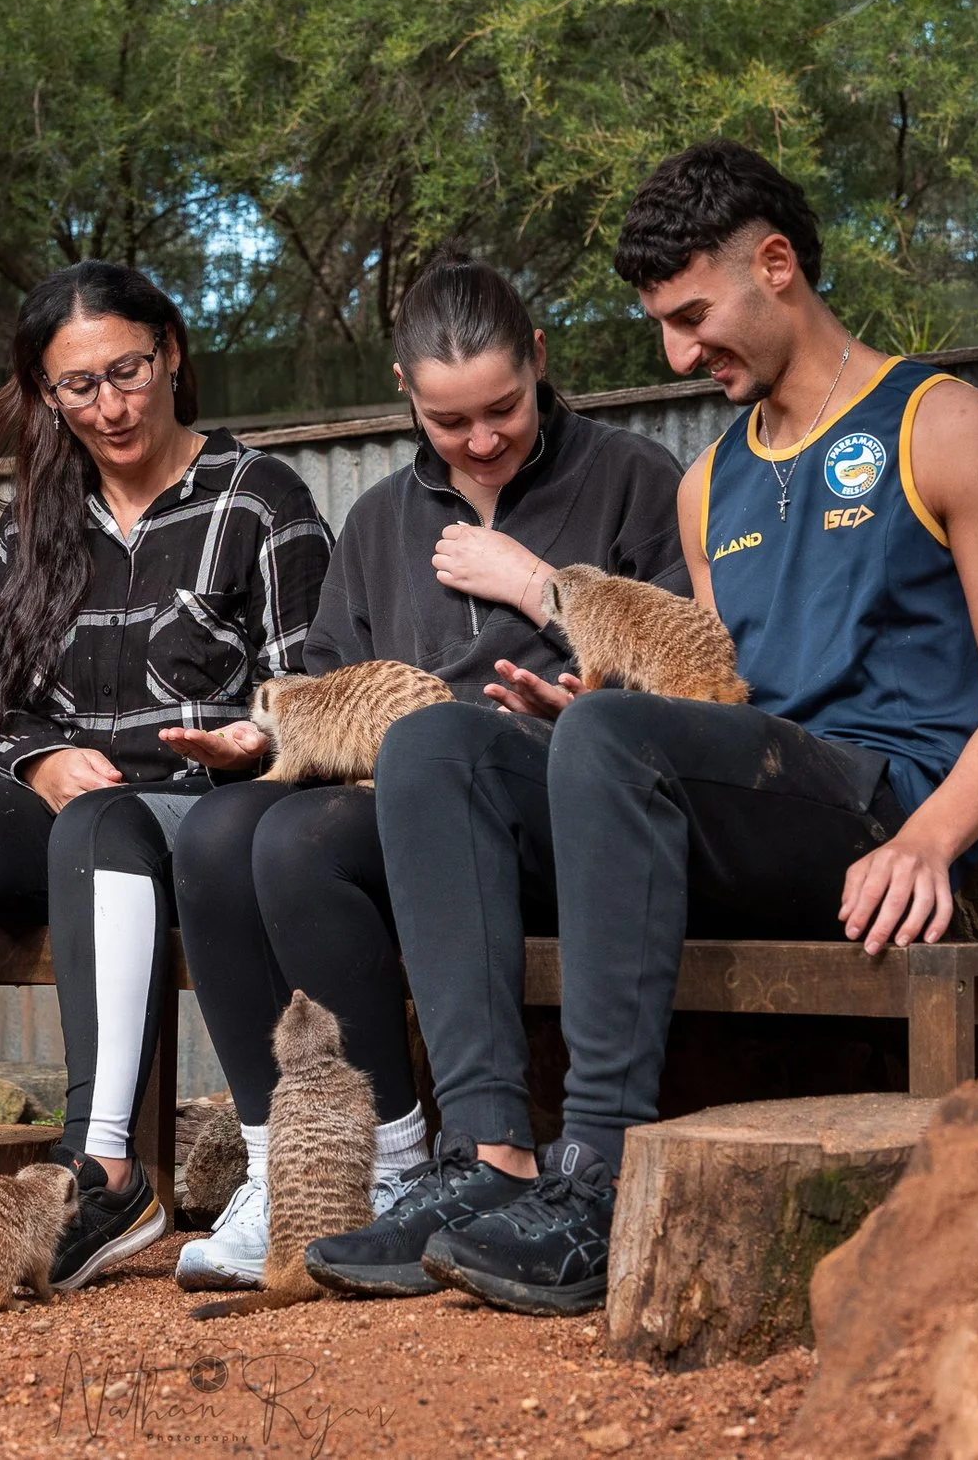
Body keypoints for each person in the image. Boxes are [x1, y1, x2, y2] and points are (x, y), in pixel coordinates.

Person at [310, 139, 978, 1316]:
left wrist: (930, 838)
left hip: (874, 810)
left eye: (691, 317)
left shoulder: (942, 424)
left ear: (776, 266)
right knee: (438, 744)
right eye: (661, 324)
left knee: (616, 735)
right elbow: (712, 703)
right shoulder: (709, 484)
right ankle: (488, 1153)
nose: (675, 352)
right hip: (743, 802)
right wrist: (589, 727)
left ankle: (600, 1171)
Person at [167, 253, 686, 1292]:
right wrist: (265, 741)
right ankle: (329, 1162)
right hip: (410, 805)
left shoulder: (634, 478)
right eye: (450, 421)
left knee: (384, 782)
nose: (482, 439)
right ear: (405, 390)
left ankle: (445, 1153)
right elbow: (332, 682)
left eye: (503, 408)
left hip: (568, 809)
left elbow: (688, 669)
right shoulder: (378, 521)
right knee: (223, 833)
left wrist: (543, 600)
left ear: (539, 359)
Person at [0, 261, 331, 1293]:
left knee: (103, 825)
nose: (109, 406)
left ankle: (104, 1171)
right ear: (45, 392)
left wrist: (253, 740)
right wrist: (43, 757)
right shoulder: (36, 520)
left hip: (205, 823)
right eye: (78, 385)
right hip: (68, 820)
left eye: (127, 372)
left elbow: (317, 692)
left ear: (171, 353)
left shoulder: (259, 498)